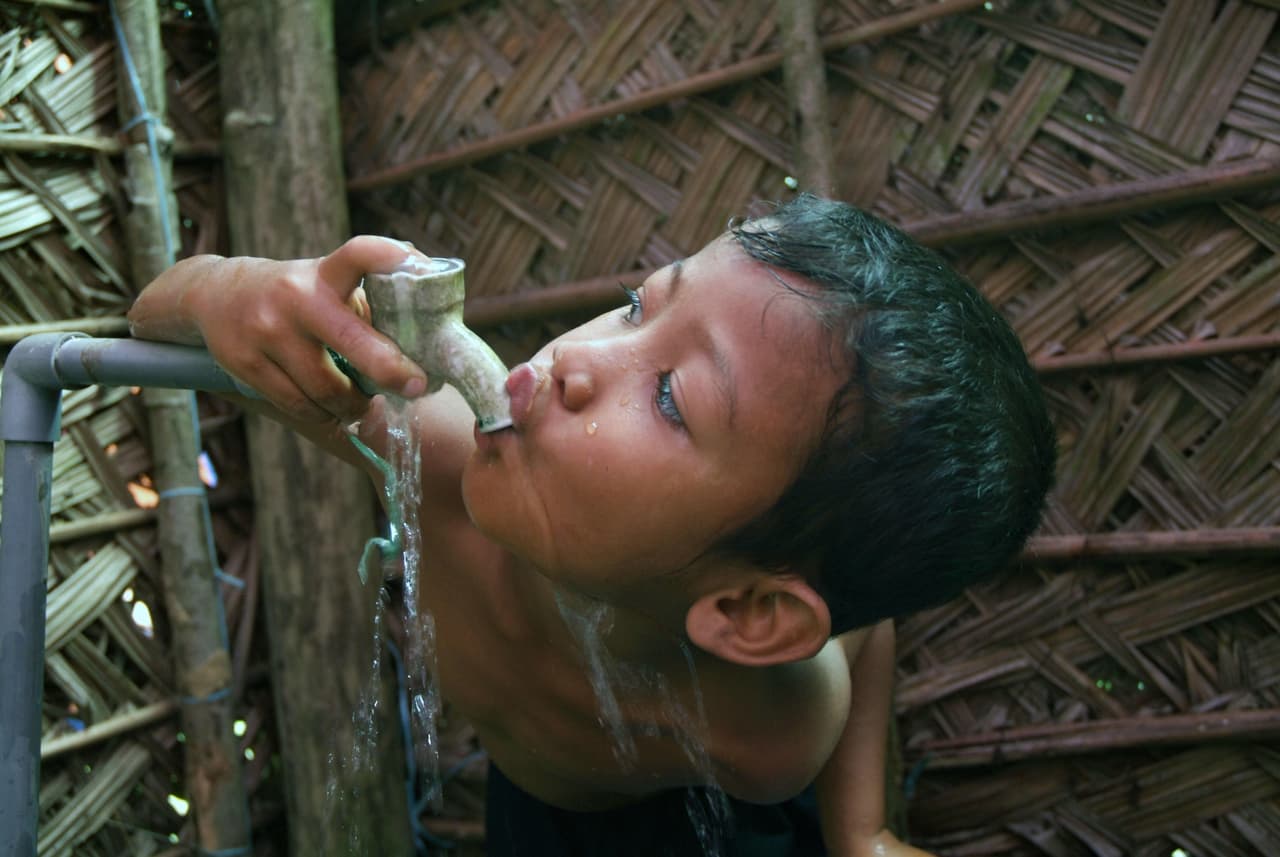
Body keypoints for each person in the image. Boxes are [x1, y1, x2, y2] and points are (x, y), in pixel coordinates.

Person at [128, 194, 1056, 856]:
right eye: (638, 305)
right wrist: (227, 286)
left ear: (747, 614)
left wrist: (859, 827)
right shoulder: (440, 460)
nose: (577, 354)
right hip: (540, 810)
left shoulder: (775, 731)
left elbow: (861, 632)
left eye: (669, 397)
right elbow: (154, 327)